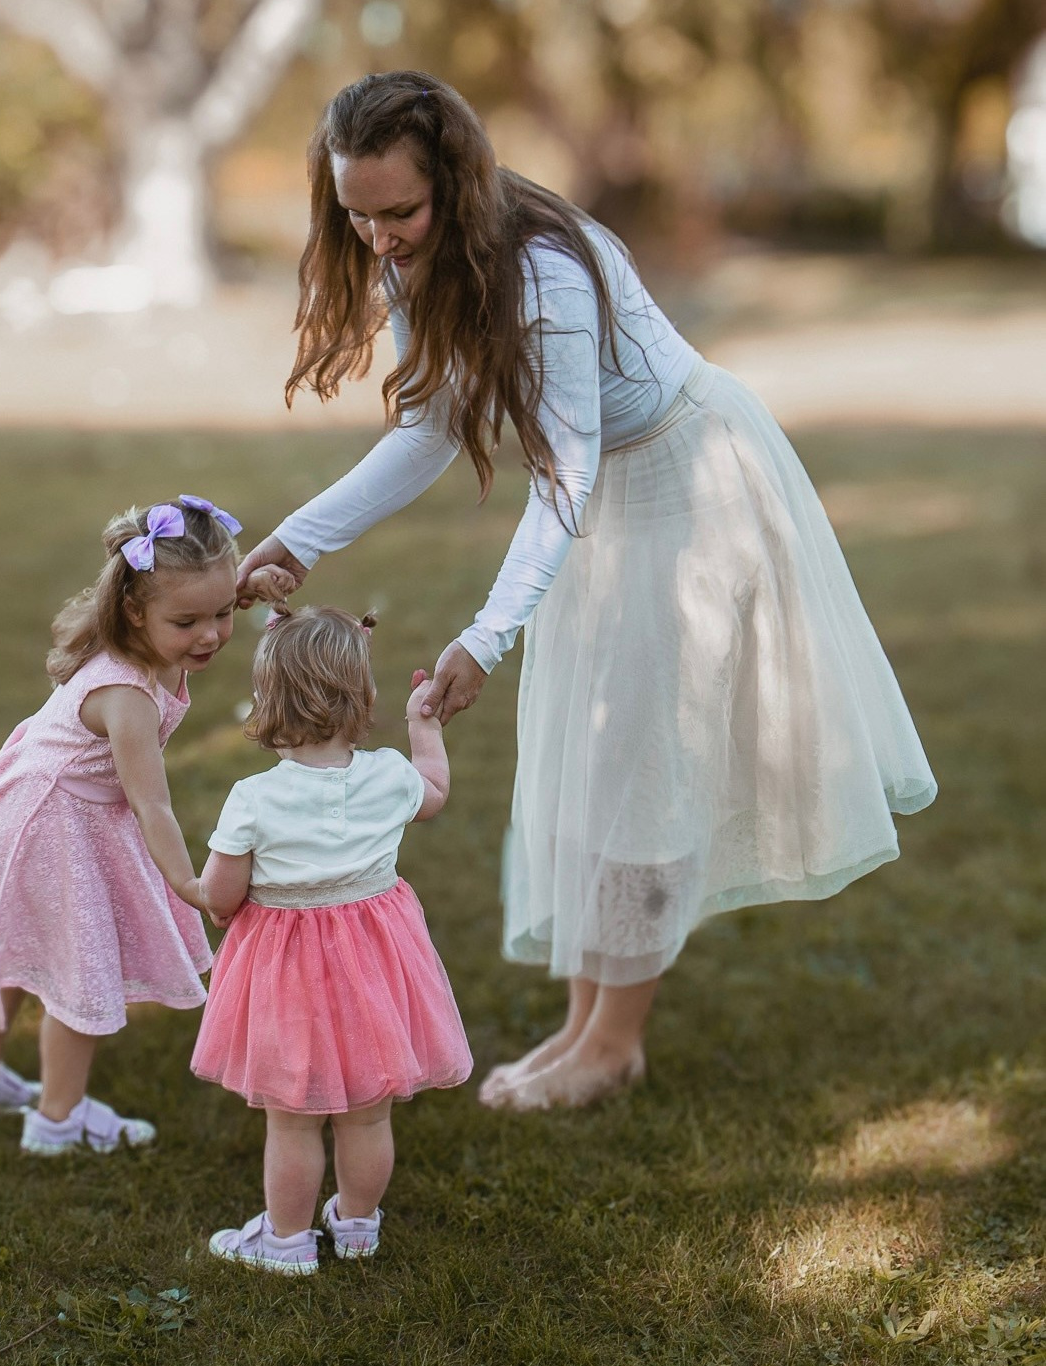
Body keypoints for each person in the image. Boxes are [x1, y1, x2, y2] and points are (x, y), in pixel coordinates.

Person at [235, 71, 937, 1113]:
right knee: (591, 754)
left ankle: (613, 1041)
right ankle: (583, 1028)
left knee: (643, 763)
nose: (379, 237)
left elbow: (563, 476)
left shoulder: (543, 275)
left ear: (455, 184)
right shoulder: (412, 260)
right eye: (356, 214)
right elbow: (430, 426)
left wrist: (486, 634)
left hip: (689, 482)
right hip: (606, 498)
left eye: (399, 211)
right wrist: (298, 540)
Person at [0, 495, 242, 1154]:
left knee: (13, 944)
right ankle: (58, 1120)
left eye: (226, 612)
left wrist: (243, 589)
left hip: (30, 805)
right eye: (189, 621)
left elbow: (201, 604)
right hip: (55, 826)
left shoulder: (145, 634)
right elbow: (151, 802)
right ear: (134, 611)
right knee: (80, 970)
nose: (209, 635)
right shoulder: (125, 696)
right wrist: (187, 882)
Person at [190, 604, 472, 1275]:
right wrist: (421, 726)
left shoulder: (253, 799)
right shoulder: (387, 776)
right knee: (366, 1116)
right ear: (362, 697)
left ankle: (285, 1243)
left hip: (289, 973)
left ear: (267, 701)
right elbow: (433, 792)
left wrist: (201, 893)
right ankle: (355, 1227)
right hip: (374, 965)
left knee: (292, 1116)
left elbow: (221, 897)